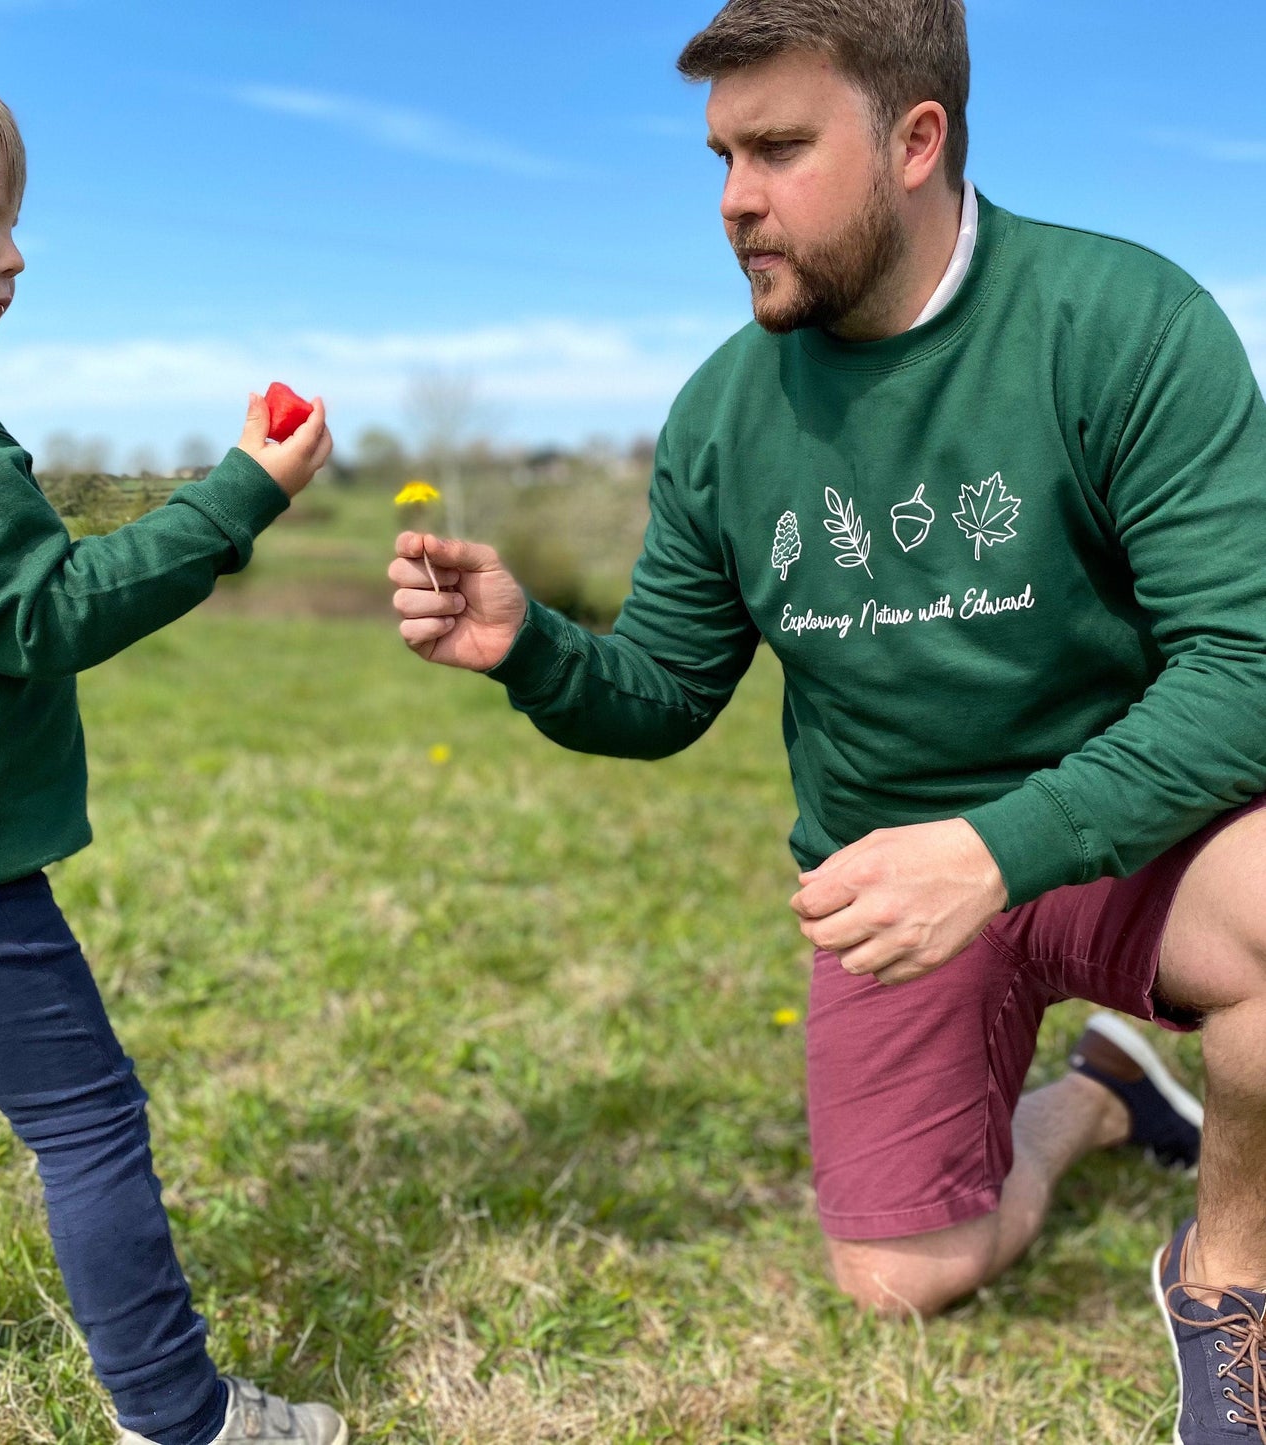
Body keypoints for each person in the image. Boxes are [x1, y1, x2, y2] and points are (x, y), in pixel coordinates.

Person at [389, 2, 1266, 1440]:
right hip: (888, 888)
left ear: (916, 139)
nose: (734, 198)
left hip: (1131, 836)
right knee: (898, 1276)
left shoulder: (1118, 321)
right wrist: (529, 649)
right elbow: (665, 695)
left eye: (779, 149)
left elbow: (1246, 664)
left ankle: (1229, 1286)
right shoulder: (724, 413)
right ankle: (1102, 1094)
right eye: (722, 156)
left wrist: (995, 847)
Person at [0, 12, 346, 1445]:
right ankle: (177, 1417)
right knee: (89, 1123)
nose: (14, 254)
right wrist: (239, 490)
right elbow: (49, 607)